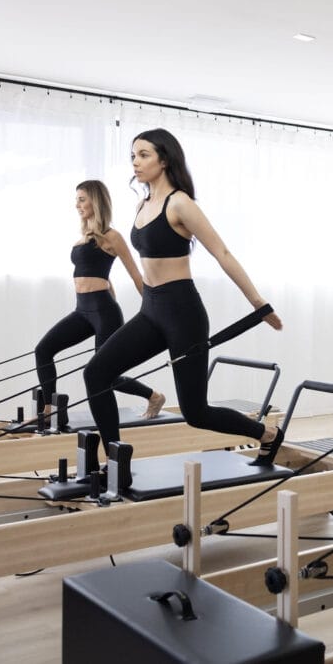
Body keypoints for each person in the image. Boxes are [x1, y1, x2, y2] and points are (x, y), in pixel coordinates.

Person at [83, 129, 284, 470]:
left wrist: (258, 304)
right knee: (96, 373)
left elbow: (222, 252)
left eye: (144, 154)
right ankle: (115, 462)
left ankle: (266, 433)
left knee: (195, 412)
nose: (136, 162)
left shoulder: (180, 203)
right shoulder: (142, 204)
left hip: (182, 313)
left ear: (164, 159)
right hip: (151, 311)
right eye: (133, 155)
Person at [34, 180, 165, 424]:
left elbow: (137, 276)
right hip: (82, 311)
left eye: (82, 199)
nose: (77, 205)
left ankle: (153, 396)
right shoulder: (84, 237)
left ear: (96, 201)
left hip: (104, 312)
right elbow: (101, 275)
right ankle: (50, 409)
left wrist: (155, 311)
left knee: (104, 374)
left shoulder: (111, 236)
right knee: (43, 350)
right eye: (77, 200)